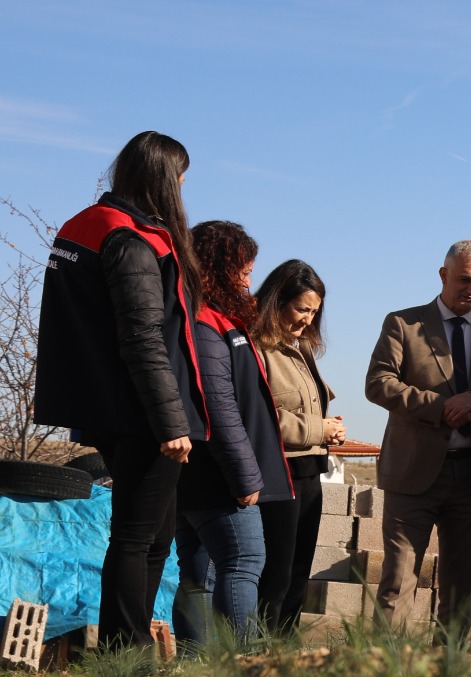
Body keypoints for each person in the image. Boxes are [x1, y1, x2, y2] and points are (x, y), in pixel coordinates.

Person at [34, 131, 209, 650]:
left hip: (109, 406)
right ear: (164, 179)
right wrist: (171, 422)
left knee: (156, 535)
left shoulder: (84, 226)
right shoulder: (130, 238)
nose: (183, 187)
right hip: (142, 411)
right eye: (181, 178)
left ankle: (129, 652)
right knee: (137, 537)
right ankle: (124, 656)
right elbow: (143, 337)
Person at [366, 240, 471, 633]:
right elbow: (378, 383)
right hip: (411, 475)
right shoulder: (403, 324)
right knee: (398, 582)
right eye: (465, 279)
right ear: (443, 275)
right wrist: (439, 406)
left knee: (462, 588)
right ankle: (386, 667)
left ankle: (449, 667)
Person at [172, 221, 291, 645]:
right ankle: (241, 665)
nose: (246, 281)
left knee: (198, 572)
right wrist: (244, 476)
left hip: (198, 473)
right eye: (242, 271)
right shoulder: (205, 323)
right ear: (217, 267)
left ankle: (193, 669)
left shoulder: (203, 317)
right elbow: (218, 405)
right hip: (217, 475)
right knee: (243, 561)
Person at [255, 260, 342, 633]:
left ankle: (283, 649)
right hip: (278, 473)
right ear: (277, 301)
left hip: (310, 471)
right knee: (275, 573)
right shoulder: (257, 347)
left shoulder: (301, 348)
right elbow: (262, 416)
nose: (308, 319)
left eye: (314, 312)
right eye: (302, 309)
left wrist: (329, 429)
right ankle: (258, 650)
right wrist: (319, 429)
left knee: (297, 572)